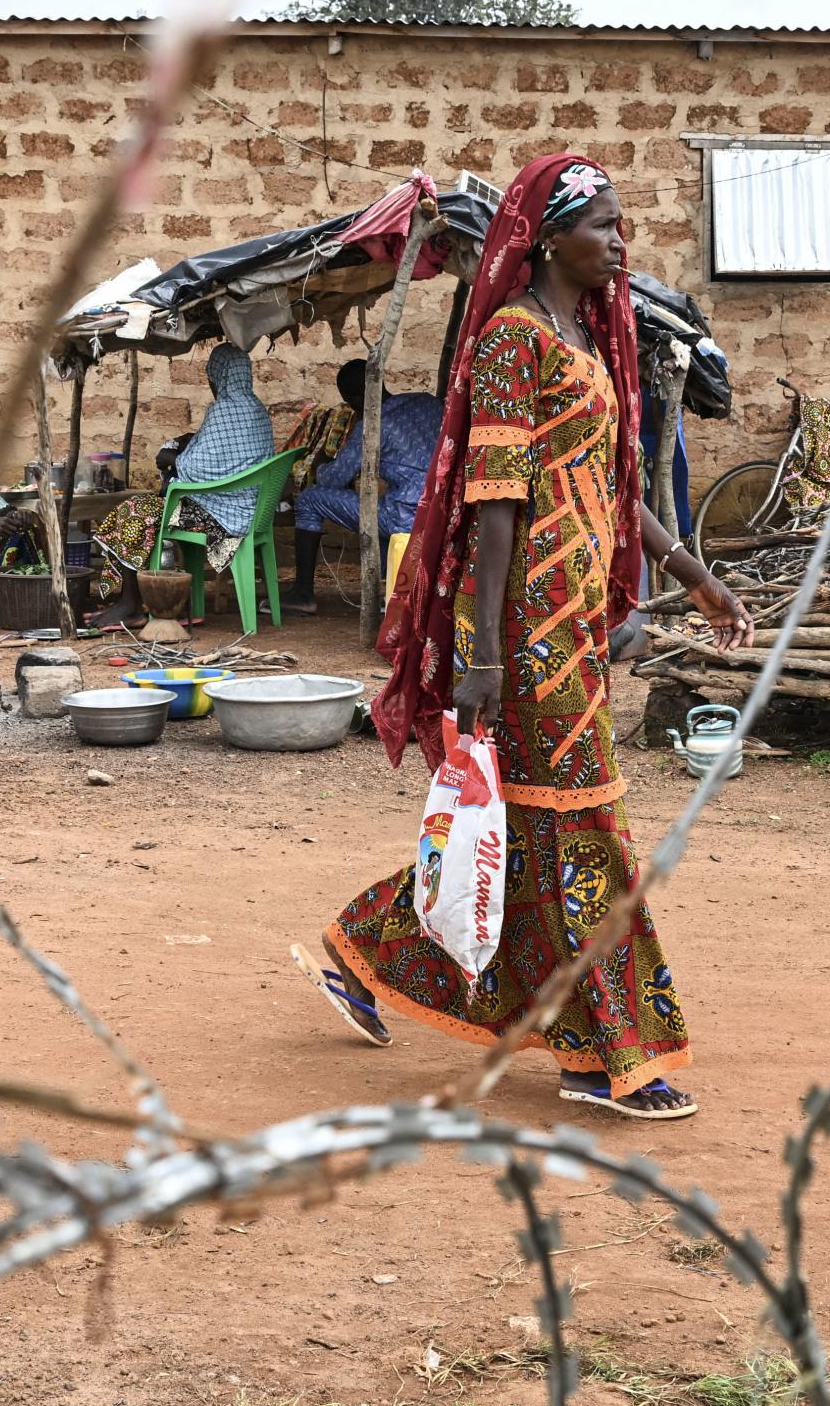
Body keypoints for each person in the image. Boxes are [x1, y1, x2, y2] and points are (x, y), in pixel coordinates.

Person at [302, 153, 753, 1122]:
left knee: (534, 835)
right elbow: (495, 503)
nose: (619, 242)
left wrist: (701, 582)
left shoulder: (587, 345)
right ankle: (606, 1055)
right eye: (603, 225)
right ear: (549, 238)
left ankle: (368, 949)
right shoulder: (513, 341)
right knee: (584, 831)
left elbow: (624, 497)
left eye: (622, 224)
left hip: (577, 628)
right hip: (525, 633)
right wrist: (487, 655)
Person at [94, 342, 277, 587]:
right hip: (252, 510)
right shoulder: (256, 409)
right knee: (143, 508)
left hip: (222, 516)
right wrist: (195, 441)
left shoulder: (225, 410)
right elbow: (227, 456)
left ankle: (132, 601)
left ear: (219, 374)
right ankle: (136, 598)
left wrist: (170, 458)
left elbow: (195, 468)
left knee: (135, 510)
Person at [284, 358, 444, 614]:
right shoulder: (427, 402)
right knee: (382, 503)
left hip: (405, 517)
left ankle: (302, 593)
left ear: (356, 400)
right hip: (442, 509)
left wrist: (323, 461)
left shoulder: (373, 425)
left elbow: (334, 478)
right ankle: (385, 579)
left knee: (309, 499)